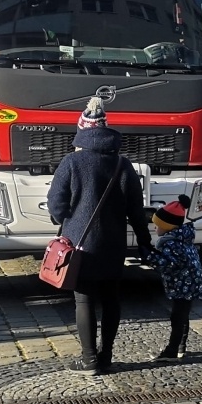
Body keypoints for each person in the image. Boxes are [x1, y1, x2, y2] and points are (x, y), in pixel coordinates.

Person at [48, 97, 152, 373]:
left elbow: (56, 204)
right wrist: (144, 241)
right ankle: (106, 357)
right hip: (113, 243)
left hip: (80, 244)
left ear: (82, 132)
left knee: (84, 300)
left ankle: (89, 358)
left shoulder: (71, 161)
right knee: (111, 299)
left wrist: (65, 221)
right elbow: (136, 209)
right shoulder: (123, 165)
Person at [144, 194, 202, 360]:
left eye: (158, 226)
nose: (156, 229)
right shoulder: (182, 237)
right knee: (183, 315)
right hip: (190, 283)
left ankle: (172, 350)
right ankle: (181, 346)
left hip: (183, 284)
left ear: (168, 226)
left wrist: (148, 256)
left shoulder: (172, 243)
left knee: (177, 317)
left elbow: (167, 263)